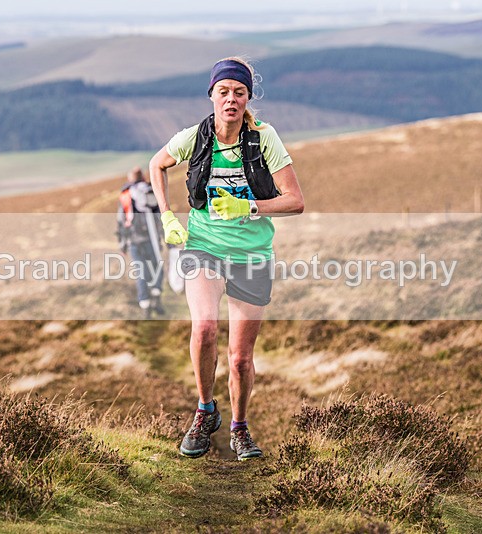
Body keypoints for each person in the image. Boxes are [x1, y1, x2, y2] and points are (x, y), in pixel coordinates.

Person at [149, 57, 304, 460]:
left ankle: (239, 428)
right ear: (212, 96)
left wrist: (249, 207)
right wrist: (167, 216)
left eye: (239, 92)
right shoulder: (196, 137)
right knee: (203, 328)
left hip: (252, 255)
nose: (231, 99)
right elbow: (157, 164)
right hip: (204, 247)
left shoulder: (264, 138)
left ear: (248, 98)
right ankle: (204, 412)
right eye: (223, 92)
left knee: (240, 359)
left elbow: (295, 201)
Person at [116, 166, 165, 318]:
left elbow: (121, 221)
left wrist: (122, 244)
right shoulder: (151, 192)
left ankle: (145, 305)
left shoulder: (126, 196)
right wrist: (165, 238)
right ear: (143, 177)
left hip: (134, 241)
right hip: (152, 239)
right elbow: (160, 216)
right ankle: (156, 296)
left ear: (130, 178)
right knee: (157, 268)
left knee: (140, 272)